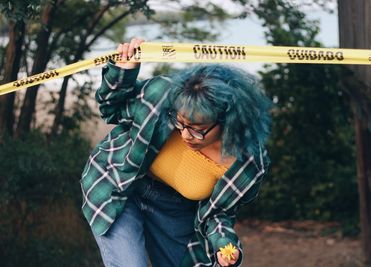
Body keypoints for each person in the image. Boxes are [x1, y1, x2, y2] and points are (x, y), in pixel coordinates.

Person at [80, 38, 271, 267]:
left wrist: (224, 245)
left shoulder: (247, 163)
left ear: (228, 121)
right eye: (179, 123)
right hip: (119, 184)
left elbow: (217, 213)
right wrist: (123, 73)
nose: (185, 135)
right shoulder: (163, 95)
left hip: (175, 209)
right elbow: (110, 108)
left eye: (198, 130)